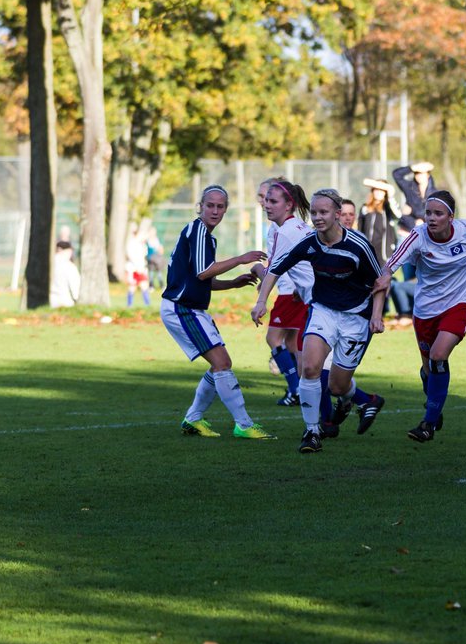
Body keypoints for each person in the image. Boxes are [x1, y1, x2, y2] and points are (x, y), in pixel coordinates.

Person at [253, 188, 387, 453]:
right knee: (310, 368)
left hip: (355, 318)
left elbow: (381, 281)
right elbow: (275, 269)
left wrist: (376, 315)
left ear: (337, 214)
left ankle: (354, 400)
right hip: (323, 311)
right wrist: (260, 302)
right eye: (314, 212)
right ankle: (312, 432)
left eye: (323, 212)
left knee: (337, 386)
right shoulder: (310, 243)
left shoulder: (357, 245)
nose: (317, 217)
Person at [160, 185, 273, 440]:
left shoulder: (205, 236)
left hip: (192, 309)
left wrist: (232, 283)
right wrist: (240, 259)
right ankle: (243, 424)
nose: (215, 210)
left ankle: (193, 419)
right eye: (210, 205)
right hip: (182, 309)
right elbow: (203, 271)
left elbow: (201, 279)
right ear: (200, 206)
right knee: (222, 363)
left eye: (220, 206)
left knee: (219, 364)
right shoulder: (198, 229)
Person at [378, 189, 466, 443]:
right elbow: (390, 265)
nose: (432, 218)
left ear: (451, 217)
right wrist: (384, 279)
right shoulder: (418, 236)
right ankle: (435, 406)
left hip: (460, 304)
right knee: (428, 370)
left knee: (438, 355)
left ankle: (428, 423)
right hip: (425, 311)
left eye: (438, 213)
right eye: (428, 213)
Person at [255, 178, 315, 407]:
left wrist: (258, 273)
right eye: (262, 198)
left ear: (287, 204)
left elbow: (276, 269)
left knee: (278, 340)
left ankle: (297, 389)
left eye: (270, 199)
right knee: (298, 346)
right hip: (304, 293)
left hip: (293, 292)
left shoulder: (283, 230)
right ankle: (313, 405)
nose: (265, 204)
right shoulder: (294, 226)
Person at [359, 179, 398, 267]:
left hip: (384, 252)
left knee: (382, 277)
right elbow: (360, 228)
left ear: (385, 192)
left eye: (382, 190)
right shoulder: (365, 208)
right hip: (368, 250)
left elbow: (398, 215)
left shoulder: (388, 207)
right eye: (376, 189)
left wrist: (391, 196)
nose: (378, 192)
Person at [393, 162, 437, 229]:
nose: (419, 176)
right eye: (416, 173)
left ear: (428, 175)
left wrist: (412, 211)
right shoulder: (409, 188)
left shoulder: (435, 193)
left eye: (421, 173)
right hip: (408, 230)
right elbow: (396, 174)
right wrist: (412, 168)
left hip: (426, 233)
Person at [125, 221, 152, 308]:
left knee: (144, 286)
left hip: (141, 269)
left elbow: (144, 256)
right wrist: (137, 267)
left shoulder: (142, 245)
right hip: (133, 269)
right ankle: (129, 305)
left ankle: (148, 305)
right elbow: (131, 256)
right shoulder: (132, 243)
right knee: (132, 287)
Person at [50, 240, 81, 308]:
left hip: (50, 301)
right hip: (66, 301)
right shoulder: (70, 266)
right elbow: (75, 286)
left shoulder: (49, 264)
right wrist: (77, 299)